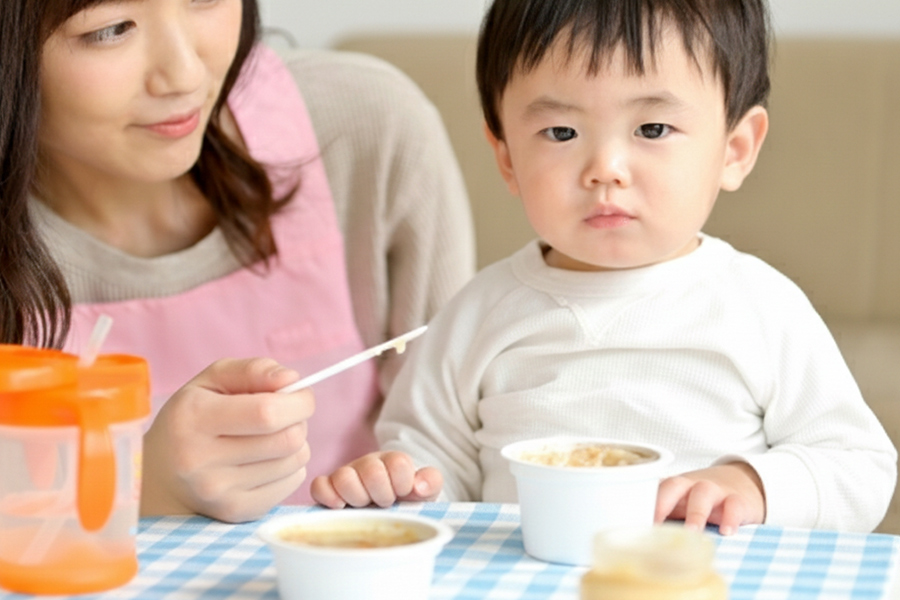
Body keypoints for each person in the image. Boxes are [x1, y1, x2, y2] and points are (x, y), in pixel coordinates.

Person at [311, 0, 898, 534]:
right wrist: (397, 486)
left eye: (652, 129)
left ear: (735, 149)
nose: (605, 168)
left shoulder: (761, 307)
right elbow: (430, 472)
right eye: (561, 131)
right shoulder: (475, 314)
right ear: (507, 156)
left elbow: (858, 468)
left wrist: (751, 486)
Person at [0, 0, 475, 522]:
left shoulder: (362, 125)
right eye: (111, 29)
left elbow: (459, 438)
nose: (183, 74)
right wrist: (148, 489)